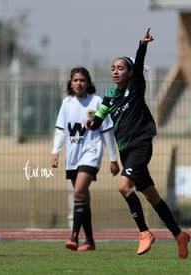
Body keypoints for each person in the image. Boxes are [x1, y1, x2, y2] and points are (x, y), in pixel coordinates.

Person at [85, 28, 191, 259]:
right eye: (113, 68)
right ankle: (179, 235)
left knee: (124, 187)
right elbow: (98, 120)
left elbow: (139, 61)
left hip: (141, 144)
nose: (115, 71)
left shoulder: (135, 87)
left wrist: (142, 46)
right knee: (152, 196)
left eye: (120, 68)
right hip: (125, 150)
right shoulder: (110, 96)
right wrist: (90, 123)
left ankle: (144, 233)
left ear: (131, 73)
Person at [51, 67, 120, 251]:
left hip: (91, 153)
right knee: (83, 197)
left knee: (78, 192)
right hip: (73, 155)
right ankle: (89, 241)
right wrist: (55, 152)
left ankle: (74, 237)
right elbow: (60, 130)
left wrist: (113, 159)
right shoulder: (67, 103)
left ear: (88, 82)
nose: (79, 83)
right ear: (70, 83)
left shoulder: (96, 102)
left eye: (82, 80)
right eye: (75, 80)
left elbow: (106, 131)